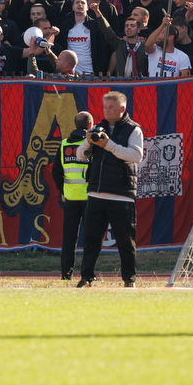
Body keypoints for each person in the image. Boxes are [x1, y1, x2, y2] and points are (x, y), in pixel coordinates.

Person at [76, 91, 144, 288]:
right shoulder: (97, 128)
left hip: (122, 195)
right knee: (91, 240)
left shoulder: (133, 129)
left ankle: (129, 280)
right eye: (105, 107)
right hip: (96, 192)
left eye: (111, 107)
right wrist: (89, 141)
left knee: (126, 241)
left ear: (122, 109)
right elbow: (81, 155)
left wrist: (108, 144)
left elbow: (136, 156)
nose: (107, 110)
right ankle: (86, 277)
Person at [54, 111, 91, 281]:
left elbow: (56, 172)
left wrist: (63, 191)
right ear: (90, 125)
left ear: (75, 125)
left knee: (69, 238)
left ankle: (66, 274)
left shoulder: (63, 145)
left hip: (70, 198)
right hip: (90, 198)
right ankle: (87, 274)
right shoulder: (92, 143)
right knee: (91, 237)